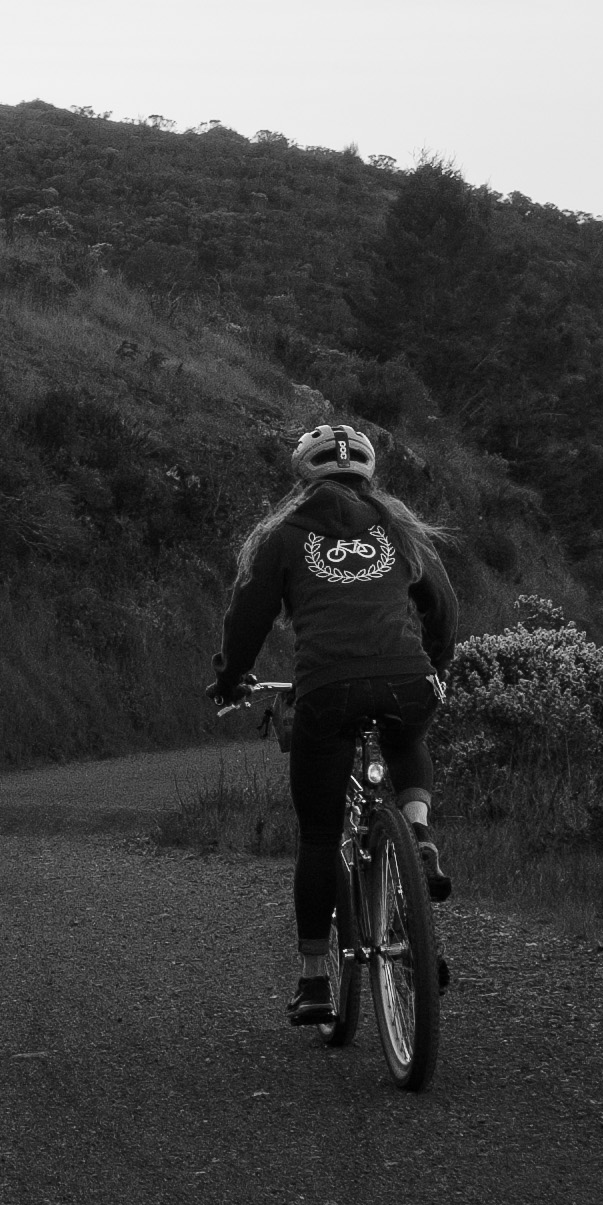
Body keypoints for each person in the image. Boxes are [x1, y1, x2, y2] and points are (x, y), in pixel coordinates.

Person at [209, 419, 459, 1024]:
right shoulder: (400, 530)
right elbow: (444, 609)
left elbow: (248, 620)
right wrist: (437, 667)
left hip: (327, 688)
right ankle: (419, 835)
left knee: (321, 837)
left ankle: (316, 980)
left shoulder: (284, 536)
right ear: (367, 475)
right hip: (408, 677)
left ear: (304, 477)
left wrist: (230, 676)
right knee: (408, 734)